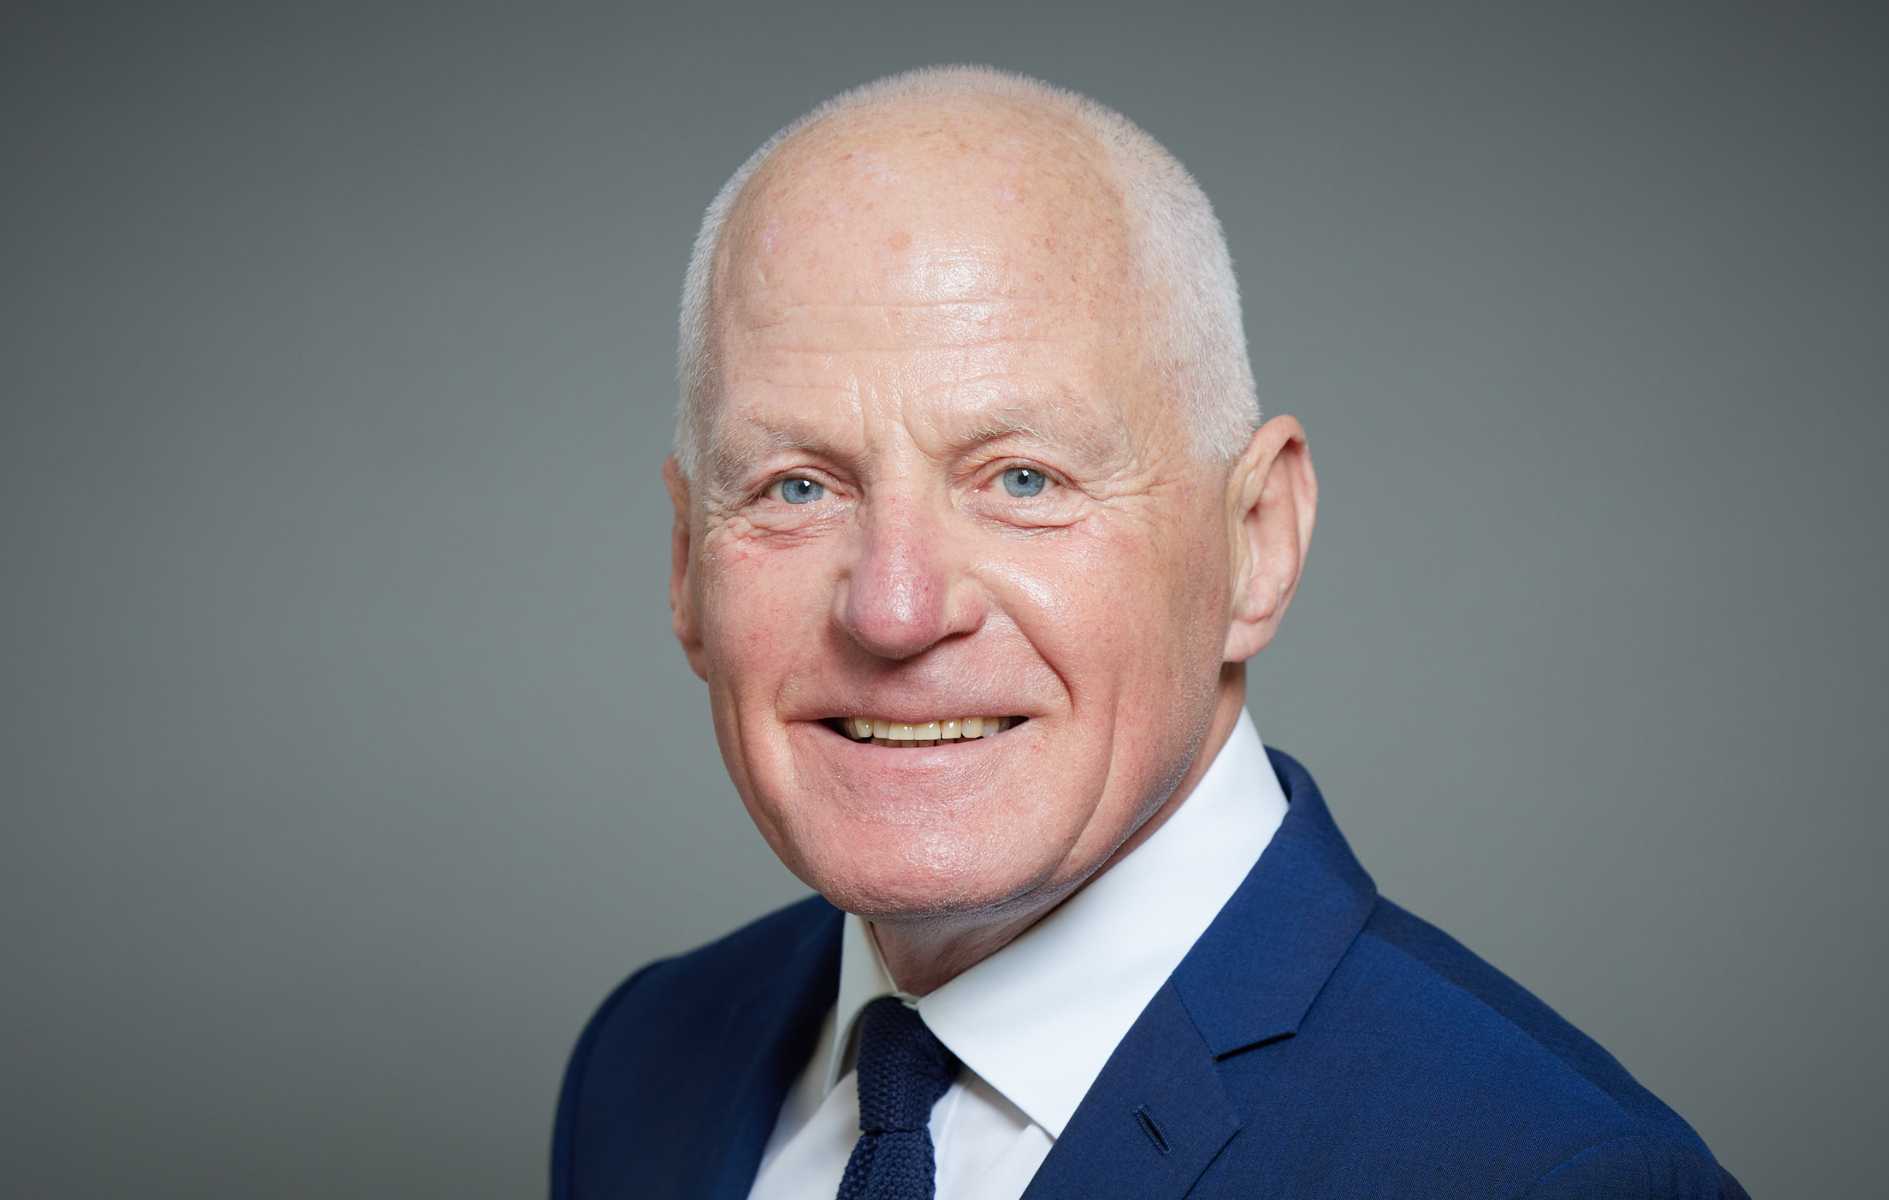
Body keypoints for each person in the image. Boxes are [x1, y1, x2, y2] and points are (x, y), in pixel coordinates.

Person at [551, 64, 1748, 1199]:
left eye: (1022, 480)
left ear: (1256, 542)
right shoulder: (647, 1063)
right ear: (685, 564)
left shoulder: (1540, 1172)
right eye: (796, 488)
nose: (895, 609)